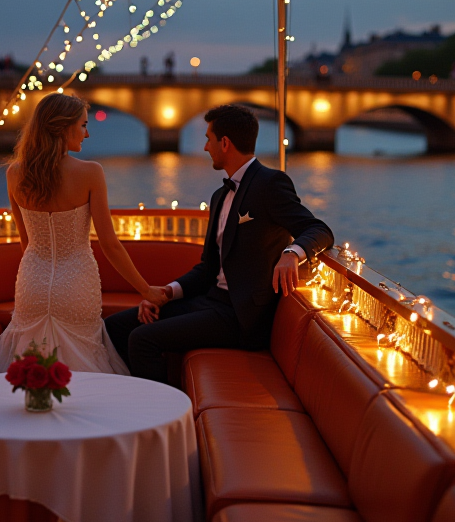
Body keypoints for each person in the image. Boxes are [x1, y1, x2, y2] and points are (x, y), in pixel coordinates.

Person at [106, 104, 334, 384]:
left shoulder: (270, 183)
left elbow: (318, 229)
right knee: (116, 326)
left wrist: (292, 252)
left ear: (224, 143)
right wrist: (169, 292)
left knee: (143, 339)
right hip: (210, 301)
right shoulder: (219, 196)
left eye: (208, 139)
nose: (204, 147)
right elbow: (207, 268)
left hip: (241, 316)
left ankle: (161, 416)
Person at [0, 93, 166, 376]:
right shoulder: (91, 172)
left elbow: (26, 242)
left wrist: (39, 275)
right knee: (85, 369)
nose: (87, 133)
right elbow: (109, 244)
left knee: (29, 366)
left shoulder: (14, 174)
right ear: (62, 127)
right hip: (77, 286)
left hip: (32, 283)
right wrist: (146, 290)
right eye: (83, 125)